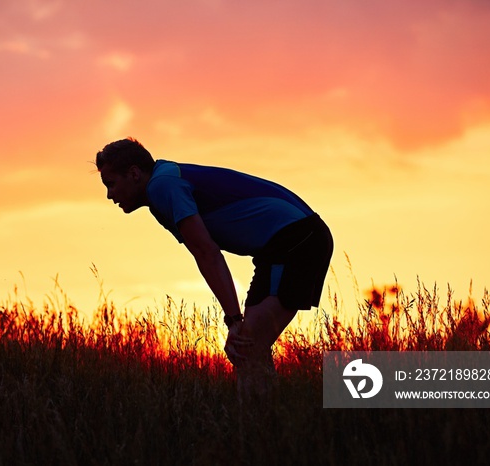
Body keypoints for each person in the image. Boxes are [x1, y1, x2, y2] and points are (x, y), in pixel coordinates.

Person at [95, 137, 333, 400]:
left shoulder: (163, 186)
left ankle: (266, 427)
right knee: (248, 348)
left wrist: (233, 319)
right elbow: (206, 252)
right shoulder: (162, 184)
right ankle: (267, 426)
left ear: (134, 173)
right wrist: (234, 320)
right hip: (279, 247)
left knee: (246, 346)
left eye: (111, 184)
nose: (109, 194)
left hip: (297, 240)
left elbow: (207, 253)